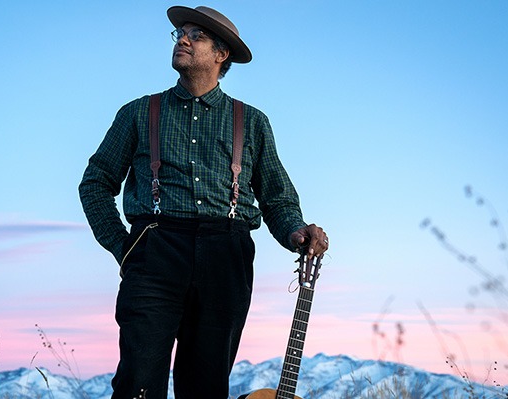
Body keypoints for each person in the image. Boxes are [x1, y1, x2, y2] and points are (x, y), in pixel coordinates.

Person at [78, 5, 329, 399]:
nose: (182, 39)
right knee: (138, 382)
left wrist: (296, 232)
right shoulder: (138, 112)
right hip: (155, 250)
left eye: (196, 35)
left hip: (225, 254)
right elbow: (95, 183)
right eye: (181, 33)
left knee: (206, 386)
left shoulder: (253, 122)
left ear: (221, 54)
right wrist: (124, 247)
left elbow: (278, 198)